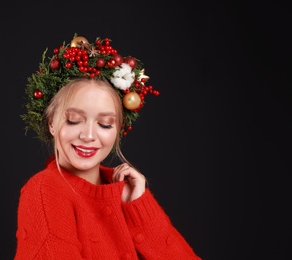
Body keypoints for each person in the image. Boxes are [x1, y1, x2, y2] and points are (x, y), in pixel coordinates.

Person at [15, 34, 201, 259]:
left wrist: (140, 208)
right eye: (74, 120)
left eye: (104, 124)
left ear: (118, 130)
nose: (89, 135)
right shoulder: (46, 189)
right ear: (52, 123)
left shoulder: (123, 192)